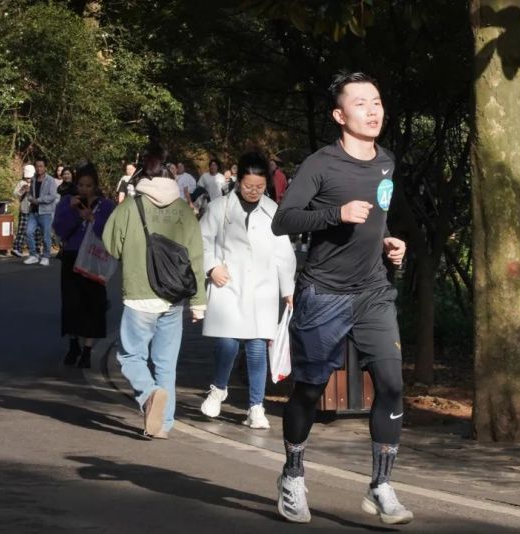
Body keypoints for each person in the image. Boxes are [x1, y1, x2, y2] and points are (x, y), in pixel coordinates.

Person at [271, 72, 410, 524]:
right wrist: (335, 214)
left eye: (377, 101)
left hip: (373, 291)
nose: (373, 111)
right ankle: (292, 474)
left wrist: (391, 242)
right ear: (339, 114)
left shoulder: (386, 161)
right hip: (324, 294)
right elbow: (284, 220)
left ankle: (381, 486)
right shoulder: (321, 164)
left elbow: (379, 219)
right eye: (361, 103)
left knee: (391, 385)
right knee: (309, 391)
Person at [102, 143, 206, 439]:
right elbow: (196, 256)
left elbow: (110, 244)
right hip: (173, 297)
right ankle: (163, 425)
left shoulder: (129, 207)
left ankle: (148, 395)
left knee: (130, 356)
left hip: (138, 294)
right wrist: (199, 304)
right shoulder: (184, 212)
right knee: (166, 363)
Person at [199, 152, 296, 430]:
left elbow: (284, 253)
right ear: (238, 180)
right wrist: (212, 267)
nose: (253, 191)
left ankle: (256, 406)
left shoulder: (273, 212)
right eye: (248, 185)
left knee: (256, 348)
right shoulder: (219, 208)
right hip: (227, 283)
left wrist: (287, 288)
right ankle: (218, 388)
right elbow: (202, 241)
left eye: (259, 187)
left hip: (262, 287)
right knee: (226, 343)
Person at [52, 163, 114, 368]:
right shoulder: (68, 202)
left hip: (94, 259)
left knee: (93, 304)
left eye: (88, 185)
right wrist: (72, 212)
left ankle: (87, 349)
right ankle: (73, 344)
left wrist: (93, 219)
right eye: (81, 185)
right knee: (71, 303)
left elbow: (110, 232)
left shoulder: (105, 205)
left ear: (95, 186)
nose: (84, 189)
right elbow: (59, 229)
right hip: (71, 256)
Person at [23, 157, 57, 266]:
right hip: (33, 211)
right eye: (37, 166)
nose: (39, 168)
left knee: (46, 236)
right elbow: (31, 195)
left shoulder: (50, 180)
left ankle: (46, 256)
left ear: (45, 167)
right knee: (28, 232)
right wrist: (29, 196)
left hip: (45, 212)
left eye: (41, 166)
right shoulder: (33, 179)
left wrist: (37, 201)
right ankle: (33, 255)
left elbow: (52, 196)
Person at [11, 164, 36, 257]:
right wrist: (22, 190)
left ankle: (35, 249)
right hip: (24, 209)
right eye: (27, 177)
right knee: (22, 229)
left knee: (36, 231)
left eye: (30, 177)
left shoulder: (37, 182)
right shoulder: (21, 183)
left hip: (35, 210)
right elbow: (15, 194)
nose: (28, 179)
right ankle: (17, 248)